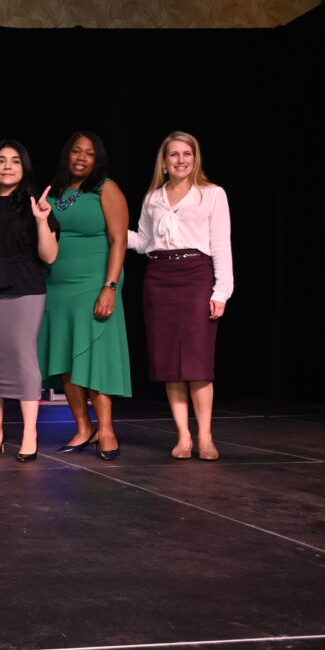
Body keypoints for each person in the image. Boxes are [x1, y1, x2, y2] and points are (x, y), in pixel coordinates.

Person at [128, 132, 232, 461]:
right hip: (159, 278)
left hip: (196, 275)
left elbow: (221, 246)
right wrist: (110, 229)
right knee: (170, 363)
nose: (181, 160)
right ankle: (183, 436)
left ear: (195, 158)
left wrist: (221, 291)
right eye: (174, 154)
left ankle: (205, 436)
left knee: (198, 362)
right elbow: (144, 242)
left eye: (187, 154)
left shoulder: (212, 194)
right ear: (164, 161)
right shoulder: (152, 199)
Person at [38, 131, 131, 461]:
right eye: (75, 151)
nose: (80, 158)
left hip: (94, 283)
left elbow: (119, 241)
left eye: (88, 154)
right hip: (57, 286)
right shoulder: (55, 193)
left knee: (94, 358)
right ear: (67, 155)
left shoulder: (107, 189)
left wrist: (110, 287)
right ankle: (82, 427)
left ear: (97, 160)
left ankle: (105, 428)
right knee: (65, 360)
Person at [0, 140, 59, 462]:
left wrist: (40, 221)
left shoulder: (38, 203)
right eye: (1, 161)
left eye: (15, 161)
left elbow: (49, 255)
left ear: (25, 168)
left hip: (25, 287)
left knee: (22, 357)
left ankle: (30, 432)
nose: (7, 166)